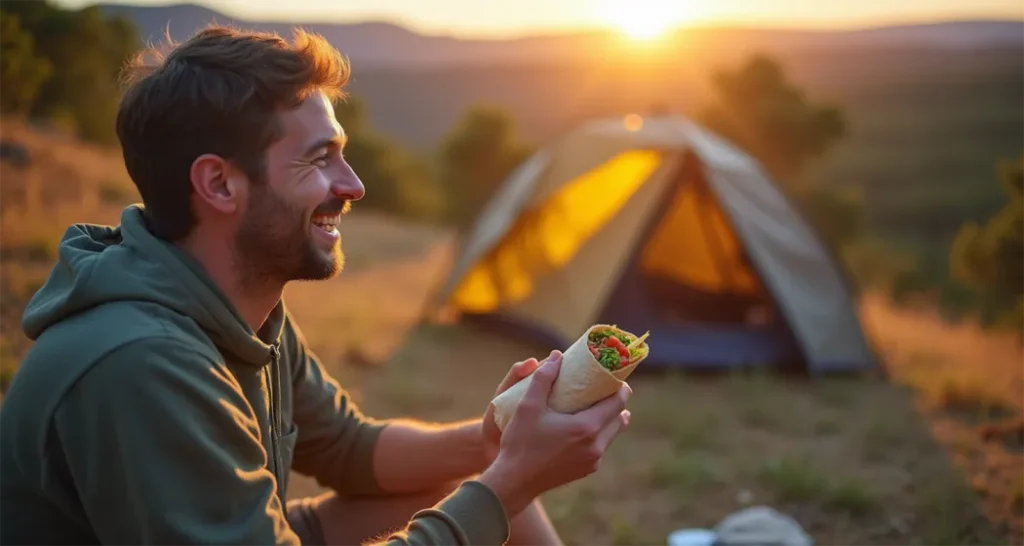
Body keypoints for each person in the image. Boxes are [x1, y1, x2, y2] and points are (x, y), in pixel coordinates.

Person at [0, 26, 633, 546]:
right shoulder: (140, 361)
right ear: (219, 185)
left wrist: (490, 442)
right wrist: (510, 481)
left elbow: (349, 448)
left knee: (473, 491)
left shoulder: (239, 307)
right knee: (491, 501)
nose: (354, 185)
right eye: (318, 158)